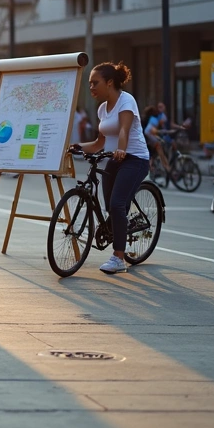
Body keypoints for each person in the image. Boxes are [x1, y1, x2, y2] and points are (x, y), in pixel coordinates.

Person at [73, 62, 152, 275]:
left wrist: (122, 149)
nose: (91, 87)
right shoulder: (102, 109)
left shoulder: (126, 101)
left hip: (134, 159)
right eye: (90, 83)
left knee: (117, 204)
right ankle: (121, 225)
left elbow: (124, 130)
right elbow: (98, 144)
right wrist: (76, 147)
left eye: (95, 83)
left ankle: (118, 258)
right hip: (114, 159)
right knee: (111, 206)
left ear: (109, 82)